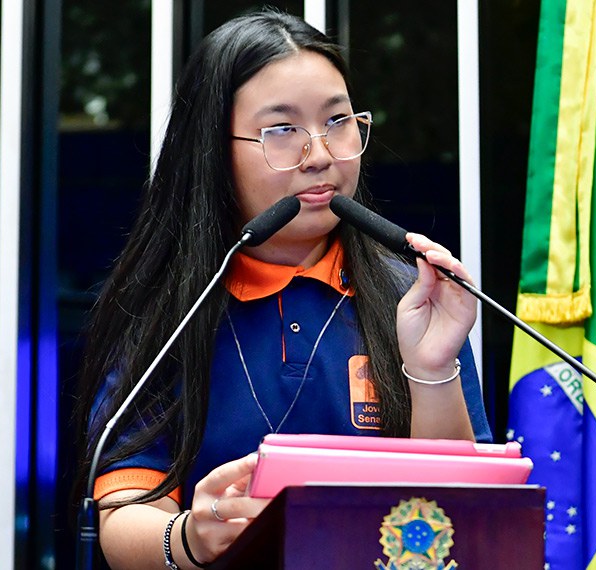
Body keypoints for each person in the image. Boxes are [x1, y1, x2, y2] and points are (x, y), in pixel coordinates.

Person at [74, 10, 490, 569]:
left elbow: (460, 519)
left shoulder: (412, 297)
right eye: (282, 130)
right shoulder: (169, 306)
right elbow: (122, 516)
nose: (319, 155)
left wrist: (434, 367)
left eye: (338, 122)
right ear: (214, 151)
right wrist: (190, 537)